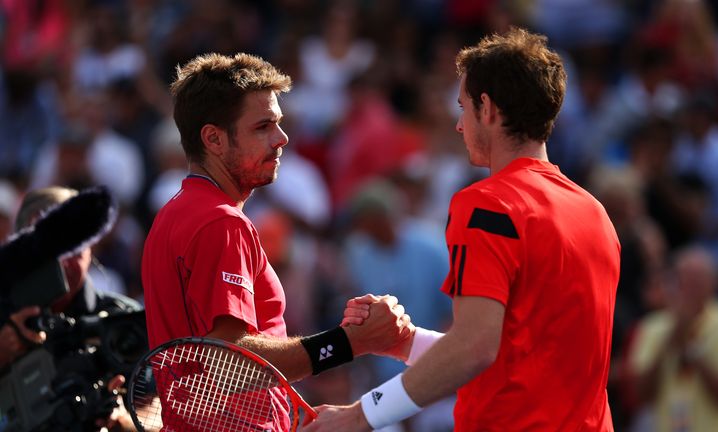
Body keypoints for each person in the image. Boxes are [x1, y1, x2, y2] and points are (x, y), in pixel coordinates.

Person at [304, 27, 621, 431]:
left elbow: (474, 348)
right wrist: (406, 342)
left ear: (487, 108)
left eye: (462, 107)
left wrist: (359, 415)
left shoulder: (486, 204)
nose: (458, 125)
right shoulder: (594, 211)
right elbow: (510, 358)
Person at [141, 53, 412, 428]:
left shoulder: (176, 214)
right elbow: (228, 361)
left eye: (279, 124)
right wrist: (350, 342)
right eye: (263, 126)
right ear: (214, 139)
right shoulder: (220, 222)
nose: (281, 138)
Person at [0, 186, 141, 430]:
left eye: (73, 249)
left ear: (92, 248)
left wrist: (121, 421)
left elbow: (159, 408)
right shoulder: (4, 320)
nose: (62, 262)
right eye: (48, 250)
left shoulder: (123, 319)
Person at [628, 247, 718, 432]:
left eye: (696, 281)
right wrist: (670, 341)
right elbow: (641, 394)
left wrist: (690, 347)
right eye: (682, 280)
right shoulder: (653, 327)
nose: (688, 288)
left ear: (713, 283)